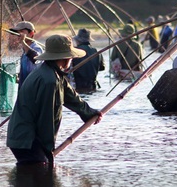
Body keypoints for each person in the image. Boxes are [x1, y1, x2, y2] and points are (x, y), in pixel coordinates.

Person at [6, 34, 103, 165]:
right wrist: (48, 149)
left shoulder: (54, 73)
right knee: (39, 171)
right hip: (26, 140)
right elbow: (47, 118)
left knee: (35, 176)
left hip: (24, 137)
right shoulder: (49, 81)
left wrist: (90, 113)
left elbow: (71, 97)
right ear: (65, 58)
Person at [10, 21, 43, 87]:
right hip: (24, 89)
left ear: (31, 34)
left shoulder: (36, 48)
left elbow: (36, 59)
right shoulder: (24, 51)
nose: (18, 35)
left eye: (21, 31)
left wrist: (23, 42)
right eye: (17, 32)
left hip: (33, 89)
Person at [71, 28, 105, 92]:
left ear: (78, 40)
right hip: (92, 86)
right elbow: (102, 67)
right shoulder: (96, 51)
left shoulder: (75, 51)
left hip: (78, 87)